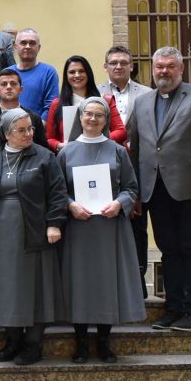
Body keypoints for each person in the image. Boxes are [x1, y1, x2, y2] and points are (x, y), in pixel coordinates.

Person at [129, 47, 191, 331]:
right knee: (167, 249)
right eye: (159, 66)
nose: (164, 71)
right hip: (154, 189)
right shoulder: (142, 102)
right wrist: (136, 193)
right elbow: (136, 149)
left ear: (181, 69)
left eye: (170, 66)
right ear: (151, 69)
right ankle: (173, 307)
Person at [0, 108, 67, 364]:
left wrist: (54, 223)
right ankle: (12, 341)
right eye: (21, 130)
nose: (28, 134)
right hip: (0, 232)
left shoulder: (44, 157)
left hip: (34, 231)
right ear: (6, 134)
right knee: (6, 288)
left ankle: (33, 344)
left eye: (30, 129)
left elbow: (58, 193)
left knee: (35, 287)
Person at [57, 97, 145, 363]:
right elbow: (57, 190)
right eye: (88, 114)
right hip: (78, 227)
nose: (93, 119)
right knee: (80, 282)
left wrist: (120, 204)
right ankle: (81, 342)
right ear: (80, 118)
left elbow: (131, 187)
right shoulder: (65, 152)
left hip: (110, 226)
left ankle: (104, 341)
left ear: (106, 120)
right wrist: (70, 205)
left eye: (99, 115)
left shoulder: (118, 151)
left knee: (107, 282)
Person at [98, 45, 155, 297]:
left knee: (136, 223)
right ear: (105, 66)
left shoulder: (147, 94)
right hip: (102, 167)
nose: (118, 66)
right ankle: (108, 280)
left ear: (131, 66)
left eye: (123, 62)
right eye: (113, 63)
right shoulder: (96, 93)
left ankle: (137, 280)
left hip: (135, 165)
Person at [45, 55, 126, 151]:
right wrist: (59, 145)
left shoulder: (105, 100)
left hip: (101, 153)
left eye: (81, 71)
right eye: (72, 72)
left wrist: (100, 139)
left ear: (88, 74)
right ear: (66, 76)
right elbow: (49, 138)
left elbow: (121, 131)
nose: (77, 75)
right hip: (70, 156)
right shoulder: (56, 104)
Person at [0, 68, 48, 157]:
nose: (8, 87)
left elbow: (43, 151)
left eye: (13, 83)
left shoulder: (34, 118)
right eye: (4, 84)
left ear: (21, 89)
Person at [9, 28, 59, 118]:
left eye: (32, 43)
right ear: (15, 46)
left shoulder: (49, 73)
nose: (27, 46)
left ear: (39, 48)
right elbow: (0, 104)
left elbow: (51, 107)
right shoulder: (6, 74)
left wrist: (34, 129)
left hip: (38, 129)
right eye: (23, 43)